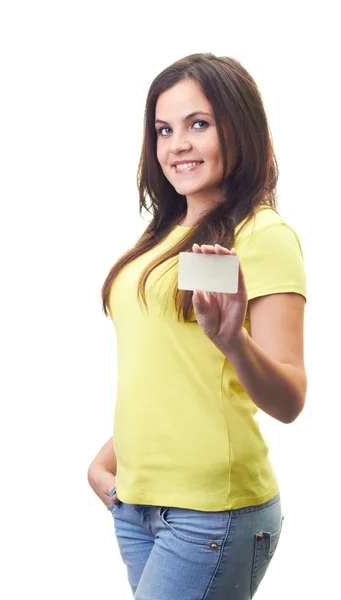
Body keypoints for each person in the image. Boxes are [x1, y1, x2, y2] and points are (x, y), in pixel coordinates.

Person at [87, 53, 307, 599]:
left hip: (211, 514)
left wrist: (232, 340)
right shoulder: (160, 239)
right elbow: (172, 374)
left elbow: (291, 398)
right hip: (136, 505)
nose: (177, 144)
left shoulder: (263, 235)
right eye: (164, 129)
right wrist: (107, 461)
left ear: (241, 128)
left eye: (198, 124)